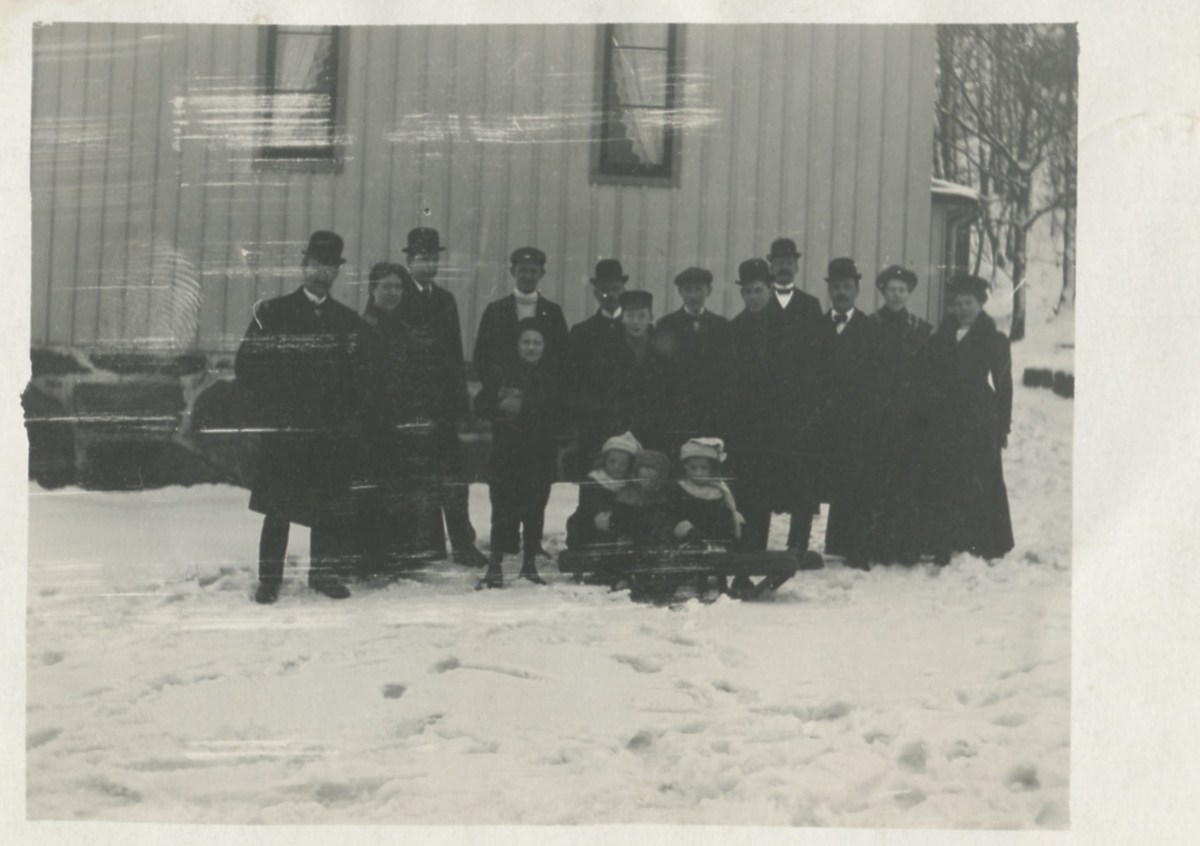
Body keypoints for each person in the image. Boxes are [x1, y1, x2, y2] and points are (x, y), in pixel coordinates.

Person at [234, 231, 364, 604]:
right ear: (304, 265)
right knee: (278, 508)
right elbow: (247, 367)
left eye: (330, 267)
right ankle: (269, 580)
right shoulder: (272, 314)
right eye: (316, 265)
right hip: (286, 428)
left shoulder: (346, 321)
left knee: (327, 505)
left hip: (327, 431)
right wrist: (276, 405)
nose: (322, 273)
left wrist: (343, 412)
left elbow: (359, 377)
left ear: (336, 273)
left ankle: (322, 576)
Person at [719, 259, 823, 570]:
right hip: (751, 424)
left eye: (759, 291)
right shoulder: (734, 329)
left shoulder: (791, 326)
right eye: (748, 292)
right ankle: (754, 546)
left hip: (788, 419)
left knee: (798, 484)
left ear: (769, 290)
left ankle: (798, 546)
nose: (753, 297)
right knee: (754, 485)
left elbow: (806, 373)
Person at [395, 227, 488, 567]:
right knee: (416, 478)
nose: (428, 264)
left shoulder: (445, 300)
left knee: (453, 478)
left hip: (443, 406)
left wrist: (460, 403)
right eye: (422, 258)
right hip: (409, 406)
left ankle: (463, 544)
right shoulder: (396, 294)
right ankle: (423, 545)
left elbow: (453, 354)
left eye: (433, 258)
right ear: (409, 260)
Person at [922, 274, 1014, 563]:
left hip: (979, 418)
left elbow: (1004, 384)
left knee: (980, 479)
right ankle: (947, 542)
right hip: (946, 417)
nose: (962, 308)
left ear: (980, 304)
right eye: (958, 303)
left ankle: (983, 542)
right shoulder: (941, 338)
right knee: (947, 478)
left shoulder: (993, 338)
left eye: (969, 303)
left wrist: (1002, 426)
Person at [355, 262, 440, 578]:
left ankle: (401, 554)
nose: (392, 293)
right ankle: (371, 557)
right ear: (372, 289)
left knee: (403, 489)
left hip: (403, 424)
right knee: (372, 490)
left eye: (397, 288)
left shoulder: (406, 330)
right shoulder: (361, 328)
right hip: (371, 424)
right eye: (386, 286)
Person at [474, 319, 570, 589]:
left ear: (544, 348)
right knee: (502, 508)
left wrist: (525, 408)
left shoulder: (552, 379)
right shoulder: (502, 375)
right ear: (517, 346)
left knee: (535, 508)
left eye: (536, 343)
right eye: (525, 342)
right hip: (506, 455)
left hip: (539, 455)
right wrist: (497, 403)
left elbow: (561, 414)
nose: (531, 347)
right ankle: (495, 565)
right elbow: (480, 405)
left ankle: (530, 564)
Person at [815, 257, 882, 570]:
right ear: (829, 290)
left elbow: (878, 378)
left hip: (858, 421)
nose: (841, 292)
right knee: (822, 482)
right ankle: (820, 544)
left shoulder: (870, 328)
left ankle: (858, 548)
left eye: (847, 287)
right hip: (824, 421)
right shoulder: (815, 327)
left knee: (858, 482)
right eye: (836, 287)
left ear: (856, 289)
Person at [867, 265, 934, 564]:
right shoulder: (870, 325)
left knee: (908, 481)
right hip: (879, 417)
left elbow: (927, 376)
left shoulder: (921, 329)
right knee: (880, 481)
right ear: (883, 292)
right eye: (891, 289)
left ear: (909, 294)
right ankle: (879, 546)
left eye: (902, 290)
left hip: (910, 418)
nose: (896, 294)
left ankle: (907, 546)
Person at [472, 246, 570, 392]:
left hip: (542, 398)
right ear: (513, 272)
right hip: (502, 396)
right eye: (523, 270)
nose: (528, 277)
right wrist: (499, 390)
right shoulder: (495, 310)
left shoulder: (553, 312)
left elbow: (562, 356)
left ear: (541, 274)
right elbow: (482, 355)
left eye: (533, 271)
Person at [655, 267, 730, 450]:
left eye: (699, 289)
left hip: (711, 415)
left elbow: (726, 372)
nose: (694, 296)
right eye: (688, 290)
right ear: (680, 292)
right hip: (678, 415)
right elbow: (661, 374)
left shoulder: (722, 326)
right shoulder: (666, 325)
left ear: (708, 291)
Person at [567, 258, 630, 473]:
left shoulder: (638, 329)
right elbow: (573, 380)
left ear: (624, 290)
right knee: (592, 476)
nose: (610, 295)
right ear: (595, 292)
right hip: (593, 421)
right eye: (604, 290)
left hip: (627, 421)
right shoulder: (581, 332)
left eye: (616, 289)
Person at [607, 289, 672, 452]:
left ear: (650, 318)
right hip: (617, 429)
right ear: (621, 318)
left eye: (642, 316)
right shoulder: (608, 350)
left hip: (655, 429)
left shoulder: (663, 351)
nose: (636, 322)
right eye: (630, 316)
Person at [670, 437, 744, 548]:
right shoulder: (679, 489)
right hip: (687, 543)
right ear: (685, 468)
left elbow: (723, 519)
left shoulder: (720, 490)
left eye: (704, 468)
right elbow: (673, 517)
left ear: (712, 469)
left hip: (715, 543)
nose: (699, 473)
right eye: (693, 468)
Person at [766, 237, 824, 329]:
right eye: (779, 263)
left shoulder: (811, 304)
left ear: (796, 267)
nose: (784, 268)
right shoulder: (762, 302)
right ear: (771, 268)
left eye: (789, 263)